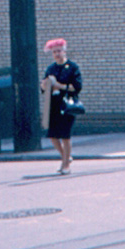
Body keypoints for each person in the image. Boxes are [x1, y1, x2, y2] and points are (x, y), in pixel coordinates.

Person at [40, 38, 82, 175]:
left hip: (68, 105)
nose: (57, 54)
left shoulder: (73, 67)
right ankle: (66, 156)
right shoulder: (51, 68)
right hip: (54, 105)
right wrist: (44, 85)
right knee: (52, 135)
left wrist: (60, 86)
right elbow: (44, 88)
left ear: (64, 51)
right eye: (54, 52)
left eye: (59, 51)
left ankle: (65, 165)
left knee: (65, 136)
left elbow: (77, 87)